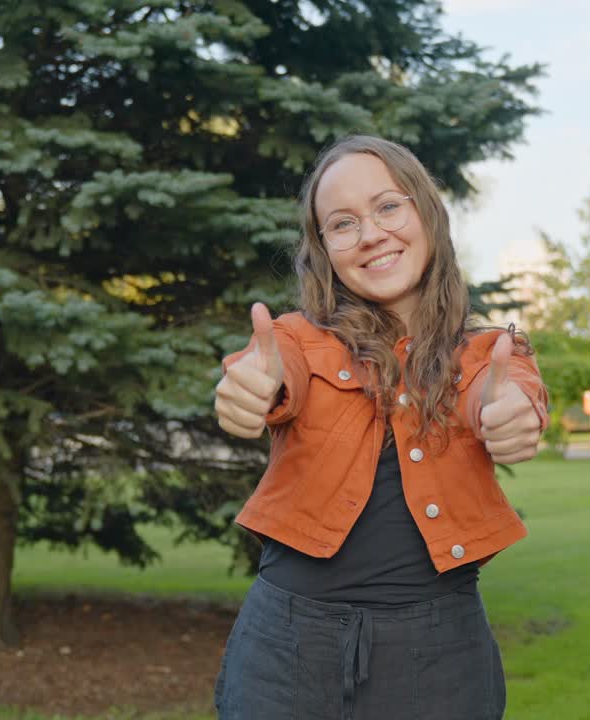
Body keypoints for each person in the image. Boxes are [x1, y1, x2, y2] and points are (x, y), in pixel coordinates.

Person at [212, 135, 550, 720]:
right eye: (342, 224)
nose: (370, 234)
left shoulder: (491, 353)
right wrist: (252, 385)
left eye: (388, 206)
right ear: (325, 250)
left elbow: (500, 394)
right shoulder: (294, 337)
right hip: (284, 655)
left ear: (427, 211)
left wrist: (510, 413)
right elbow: (272, 369)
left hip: (441, 662)